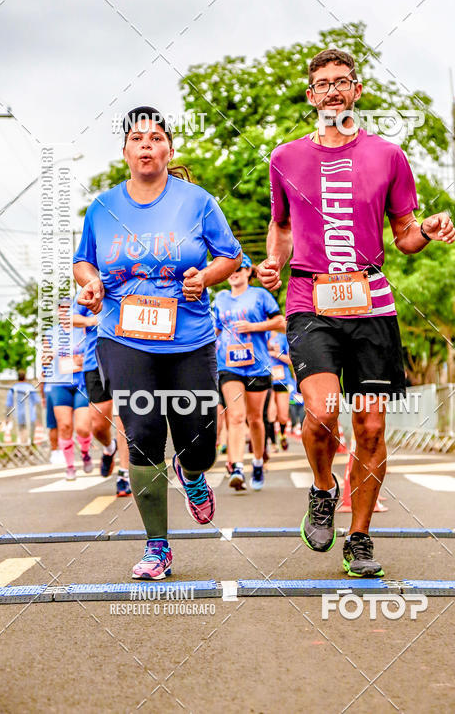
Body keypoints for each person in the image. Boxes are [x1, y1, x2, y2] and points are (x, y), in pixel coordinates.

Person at [258, 47, 455, 577]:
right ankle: (323, 489)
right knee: (321, 412)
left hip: (371, 302)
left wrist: (428, 231)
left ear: (357, 91)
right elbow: (280, 227)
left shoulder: (388, 155)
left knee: (369, 426)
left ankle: (360, 539)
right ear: (310, 95)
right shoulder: (286, 158)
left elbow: (405, 236)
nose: (333, 91)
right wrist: (273, 264)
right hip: (310, 299)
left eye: (342, 81)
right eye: (322, 84)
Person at [74, 106, 241, 580]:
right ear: (125, 151)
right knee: (143, 432)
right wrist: (91, 285)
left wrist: (204, 276)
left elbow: (230, 256)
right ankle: (157, 546)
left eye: (155, 138)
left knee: (199, 443)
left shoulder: (197, 201)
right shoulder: (103, 207)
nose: (146, 145)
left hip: (189, 336)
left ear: (169, 149)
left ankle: (193, 475)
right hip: (123, 333)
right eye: (137, 139)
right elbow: (84, 262)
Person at [213, 253, 285, 491]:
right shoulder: (220, 299)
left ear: (247, 272)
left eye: (238, 270)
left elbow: (282, 322)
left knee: (255, 419)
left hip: (257, 364)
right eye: (230, 271)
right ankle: (236, 468)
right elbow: (213, 330)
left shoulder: (260, 295)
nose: (233, 274)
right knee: (235, 417)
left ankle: (256, 461)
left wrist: (254, 326)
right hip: (228, 365)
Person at [72, 305, 131, 496]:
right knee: (98, 425)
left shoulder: (130, 280)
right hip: (94, 362)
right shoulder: (88, 287)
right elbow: (71, 318)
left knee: (124, 417)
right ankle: (109, 447)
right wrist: (90, 321)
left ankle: (124, 474)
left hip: (126, 357)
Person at [41, 299, 92, 479]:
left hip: (81, 383)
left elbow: (93, 352)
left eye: (68, 309)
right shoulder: (50, 333)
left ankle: (85, 452)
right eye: (61, 309)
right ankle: (70, 466)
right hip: (58, 383)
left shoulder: (84, 329)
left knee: (83, 428)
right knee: (64, 426)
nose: (64, 312)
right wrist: (47, 357)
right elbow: (44, 359)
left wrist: (81, 358)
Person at [267, 331, 293, 450]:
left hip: (283, 379)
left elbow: (290, 360)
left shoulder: (282, 338)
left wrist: (275, 354)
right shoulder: (261, 337)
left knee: (283, 415)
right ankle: (273, 443)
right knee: (271, 413)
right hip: (267, 379)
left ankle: (282, 435)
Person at [5, 370, 41, 445]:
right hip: (30, 414)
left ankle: (22, 447)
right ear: (25, 377)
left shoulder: (13, 389)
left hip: (18, 415)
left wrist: (7, 417)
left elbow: (8, 404)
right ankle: (28, 447)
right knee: (30, 433)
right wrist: (39, 417)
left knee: (21, 431)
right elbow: (37, 401)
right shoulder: (30, 387)